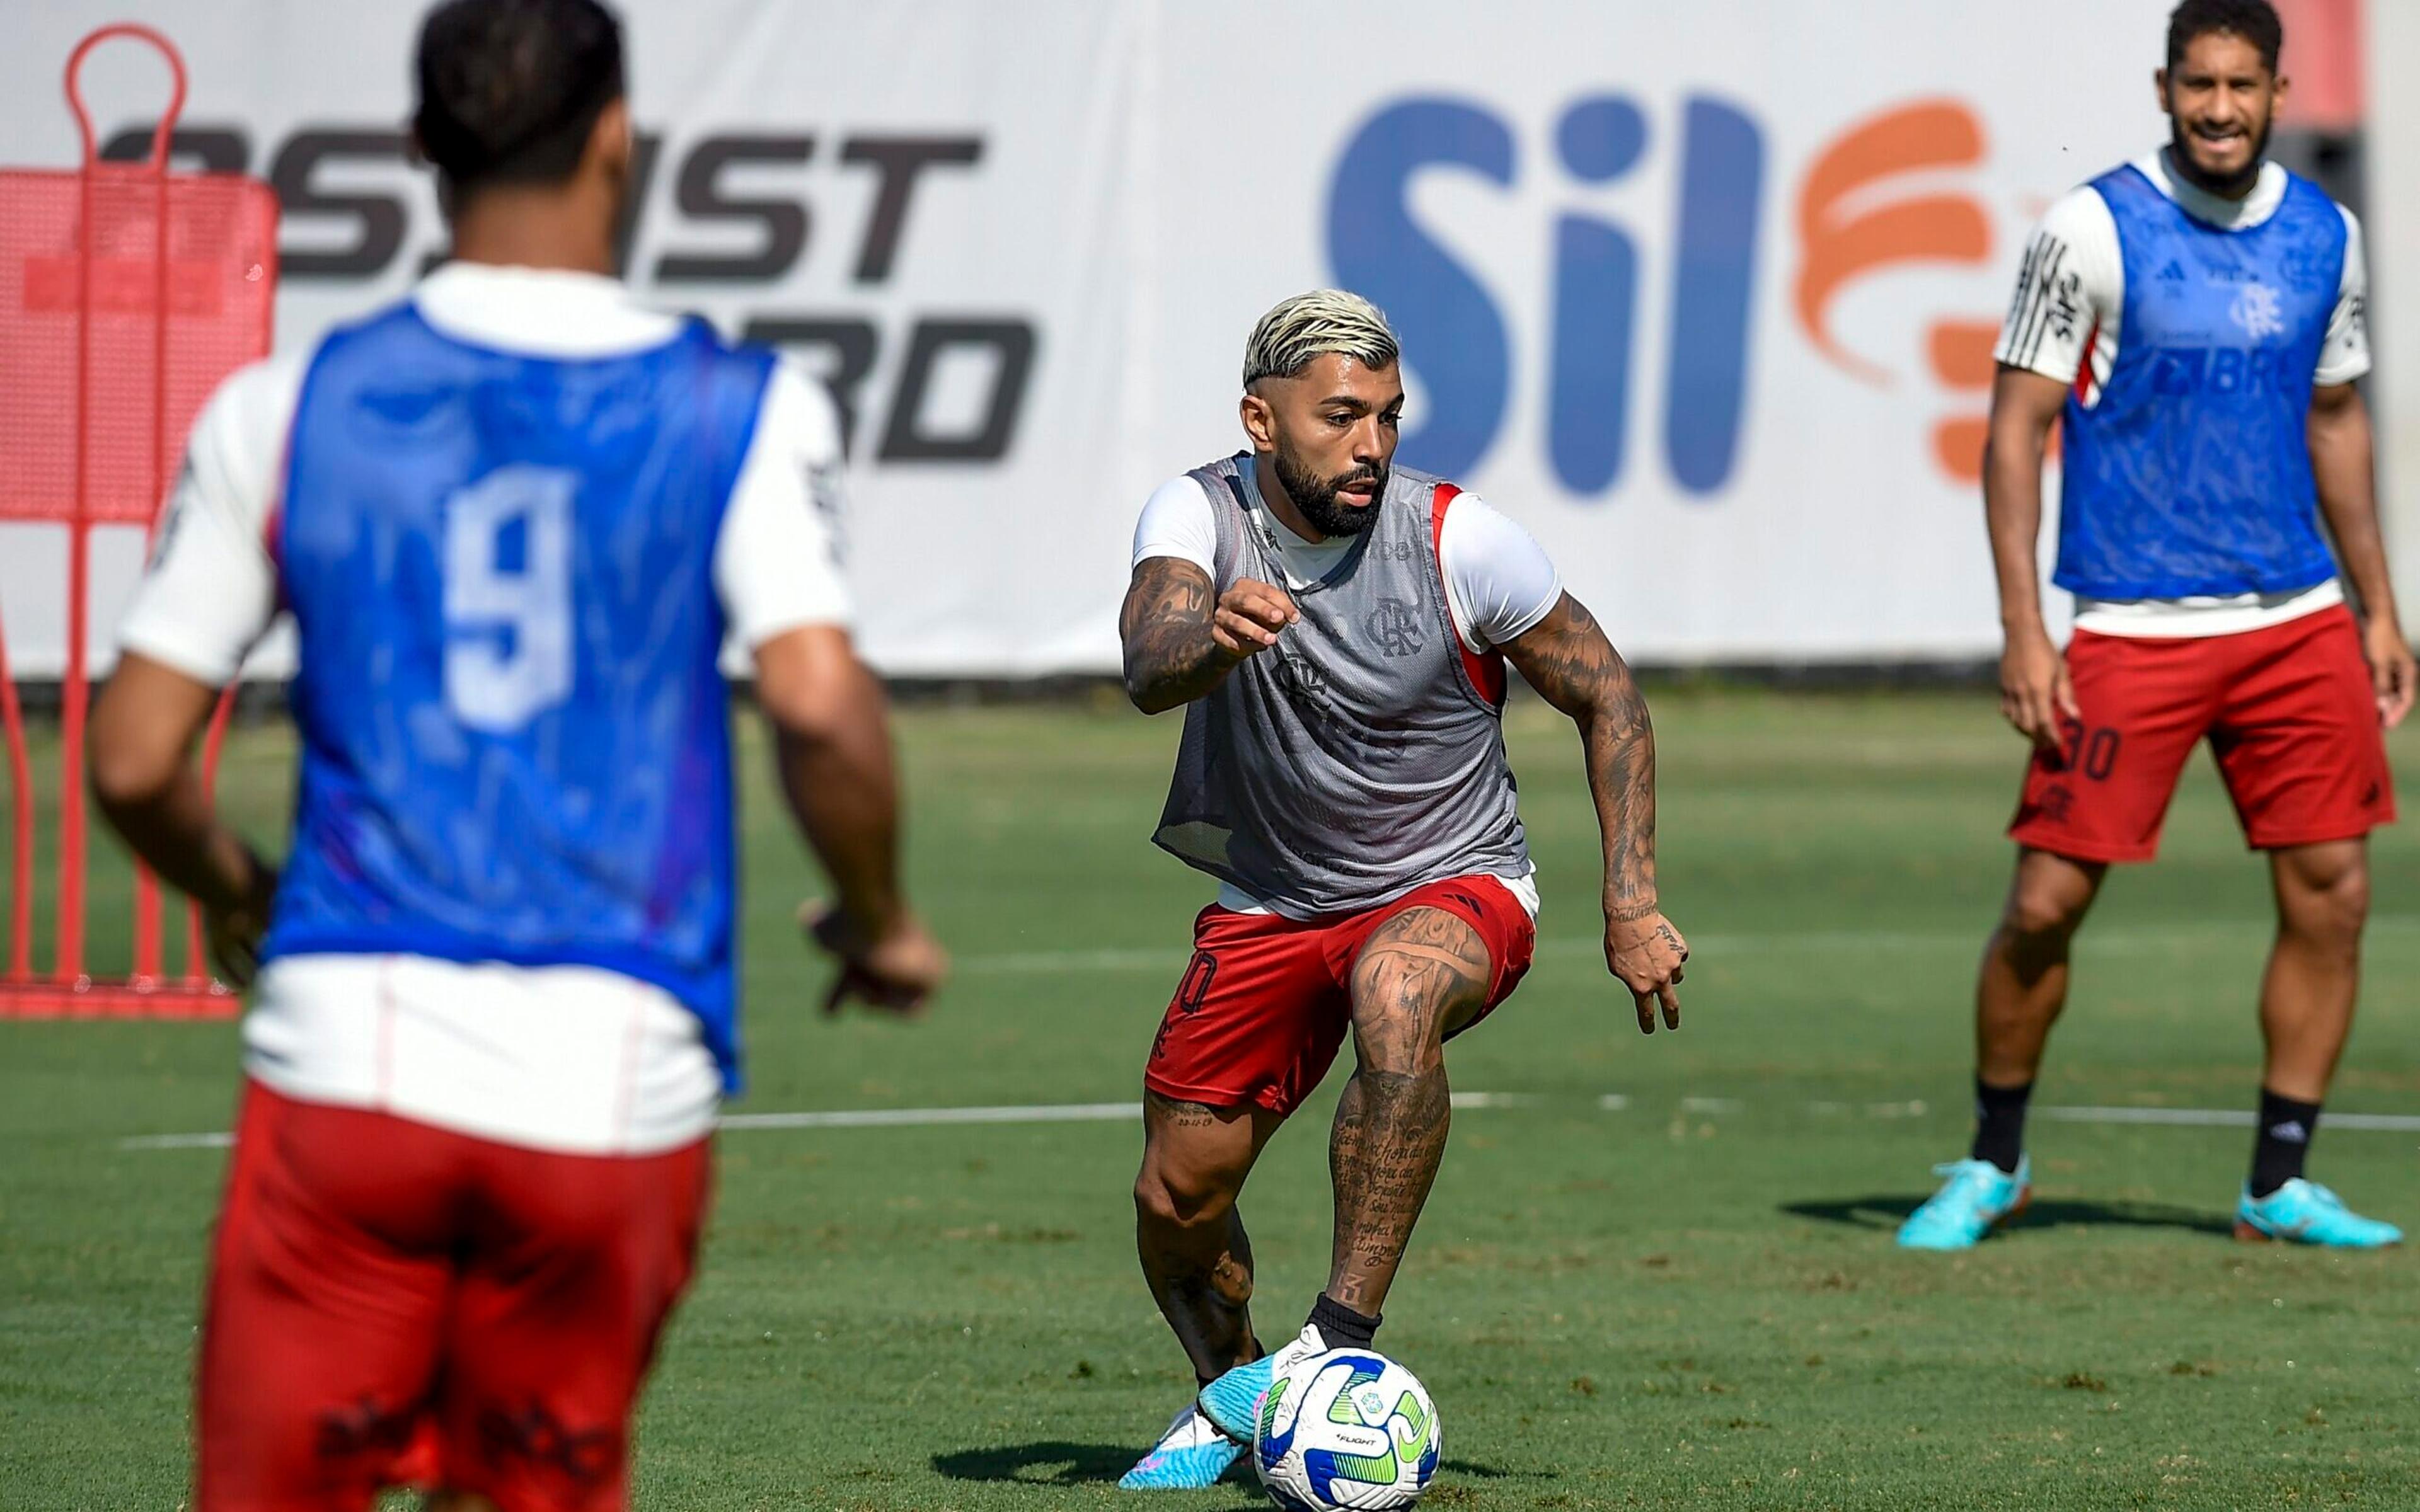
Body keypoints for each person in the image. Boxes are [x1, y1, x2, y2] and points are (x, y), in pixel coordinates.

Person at [85, 1, 946, 1506]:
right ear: (620, 134)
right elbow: (817, 706)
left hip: (347, 1056)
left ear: (418, 148)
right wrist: (879, 920)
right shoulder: (739, 405)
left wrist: (238, 888)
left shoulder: (283, 409)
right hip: (609, 1083)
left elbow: (137, 762)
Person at [1110, 290, 1687, 1488]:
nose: (1370, 445)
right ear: (1260, 423)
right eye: (1338, 417)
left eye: (1385, 415)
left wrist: (1628, 902)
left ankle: (1335, 1347)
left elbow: (1610, 697)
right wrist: (1212, 638)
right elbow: (1150, 662)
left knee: (1397, 985)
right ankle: (1234, 1403)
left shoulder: (1460, 538)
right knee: (1177, 1195)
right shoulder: (1195, 513)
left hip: (1457, 878)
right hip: (1274, 898)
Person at [1899, 0, 2409, 1252]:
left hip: (2295, 620)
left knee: (2334, 896)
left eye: (2243, 85)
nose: (2221, 107)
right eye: (2199, 84)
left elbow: (2337, 421)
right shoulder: (2089, 229)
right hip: (2129, 625)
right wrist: (2027, 628)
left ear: (2280, 94)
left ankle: (2278, 1181)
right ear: (2165, 87)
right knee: (2043, 904)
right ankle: (1995, 1158)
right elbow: (2015, 430)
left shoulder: (2325, 234)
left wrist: (2379, 607)